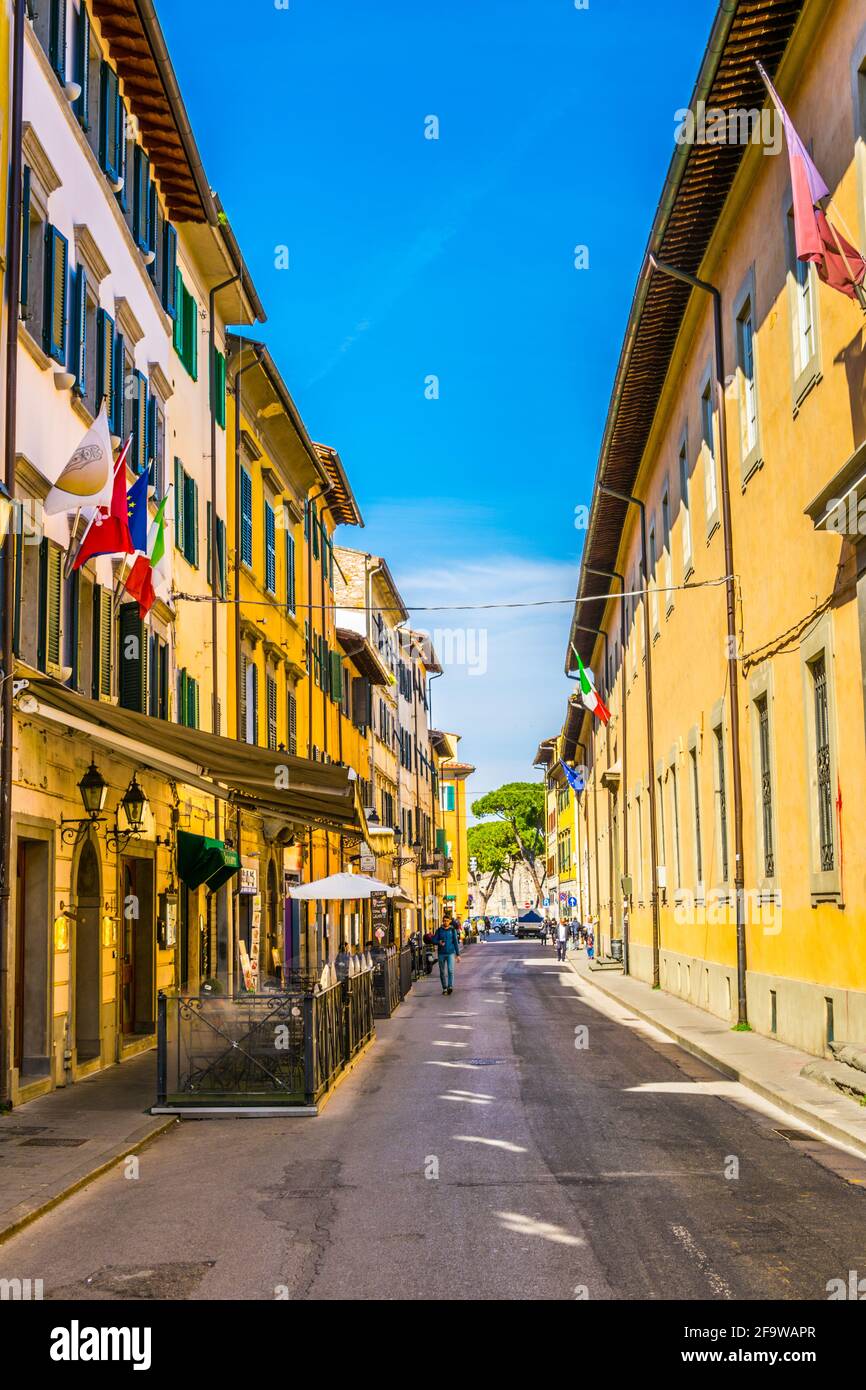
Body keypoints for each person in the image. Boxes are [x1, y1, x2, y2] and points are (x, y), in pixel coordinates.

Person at [433, 915, 461, 994]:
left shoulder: (452, 930)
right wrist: (439, 942)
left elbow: (455, 942)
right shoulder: (439, 930)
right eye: (444, 920)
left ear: (449, 921)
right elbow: (434, 939)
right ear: (442, 921)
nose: (446, 922)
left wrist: (458, 955)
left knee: (450, 970)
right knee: (442, 972)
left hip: (450, 954)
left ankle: (450, 986)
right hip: (441, 954)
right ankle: (444, 988)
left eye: (447, 921)